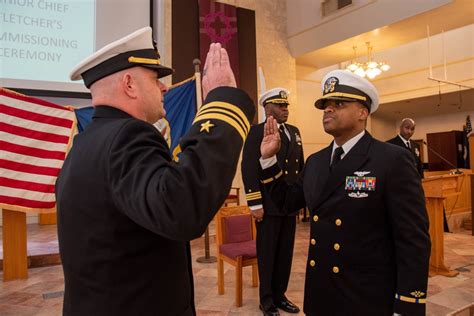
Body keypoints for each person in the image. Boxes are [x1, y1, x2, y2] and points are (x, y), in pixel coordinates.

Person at [55, 27, 255, 316]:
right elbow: (183, 207)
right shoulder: (128, 136)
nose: (164, 87)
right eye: (155, 78)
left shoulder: (83, 144)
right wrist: (222, 103)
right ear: (129, 84)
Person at [259, 70, 431, 315]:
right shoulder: (316, 162)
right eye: (325, 105)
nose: (328, 109)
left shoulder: (391, 160)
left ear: (363, 112)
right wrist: (268, 160)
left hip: (365, 298)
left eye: (338, 104)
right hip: (321, 294)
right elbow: (286, 203)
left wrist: (408, 304)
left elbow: (412, 239)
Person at [241, 88, 304, 316]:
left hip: (289, 204)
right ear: (268, 108)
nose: (286, 109)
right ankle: (266, 301)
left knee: (285, 253)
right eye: (281, 106)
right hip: (267, 205)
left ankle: (280, 295)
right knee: (267, 254)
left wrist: (300, 199)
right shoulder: (256, 132)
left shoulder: (295, 132)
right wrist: (255, 203)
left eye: (286, 106)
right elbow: (248, 167)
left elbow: (300, 168)